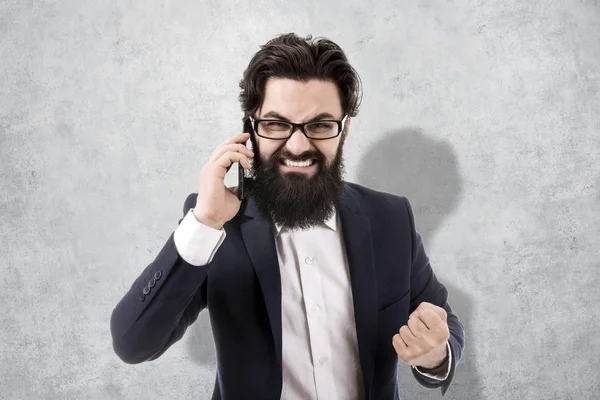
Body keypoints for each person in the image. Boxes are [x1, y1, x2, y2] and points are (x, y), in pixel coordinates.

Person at [110, 32, 465, 400]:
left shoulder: (390, 219)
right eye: (277, 124)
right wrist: (204, 222)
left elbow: (444, 322)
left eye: (320, 125)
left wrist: (437, 354)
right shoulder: (214, 225)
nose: (298, 145)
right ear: (250, 129)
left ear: (344, 130)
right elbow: (133, 343)